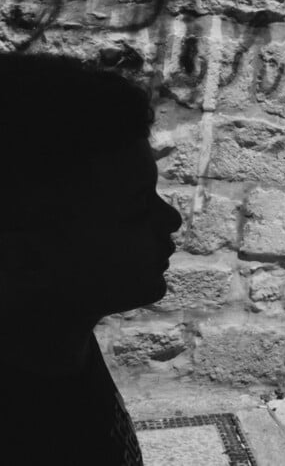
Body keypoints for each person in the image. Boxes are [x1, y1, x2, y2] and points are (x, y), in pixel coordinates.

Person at [0, 53, 183, 465]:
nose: (172, 219)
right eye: (136, 210)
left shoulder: (60, 342)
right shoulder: (23, 433)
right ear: (23, 256)